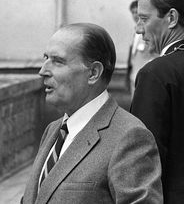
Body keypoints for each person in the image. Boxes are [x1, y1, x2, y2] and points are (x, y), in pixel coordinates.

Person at [22, 23, 162, 204]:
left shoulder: (129, 136)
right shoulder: (54, 129)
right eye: (45, 58)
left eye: (57, 61)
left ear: (93, 73)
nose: (43, 71)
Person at [130, 0, 184, 203]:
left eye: (144, 19)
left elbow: (142, 161)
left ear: (171, 17)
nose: (138, 29)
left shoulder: (156, 74)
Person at [126, 0, 157, 95]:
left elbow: (155, 55)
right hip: (133, 76)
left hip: (145, 78)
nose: (135, 15)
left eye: (137, 12)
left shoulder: (150, 31)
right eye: (133, 12)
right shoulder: (135, 31)